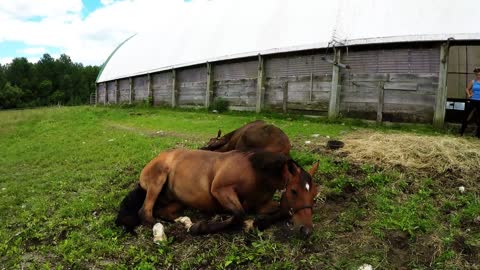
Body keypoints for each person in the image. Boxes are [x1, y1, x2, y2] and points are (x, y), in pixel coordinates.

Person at [460, 67, 480, 137]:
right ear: (475, 74)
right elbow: (467, 89)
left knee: (479, 118)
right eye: (477, 74)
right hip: (472, 101)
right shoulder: (473, 81)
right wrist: (469, 94)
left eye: (479, 74)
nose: (478, 76)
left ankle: (478, 135)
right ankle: (461, 133)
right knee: (466, 116)